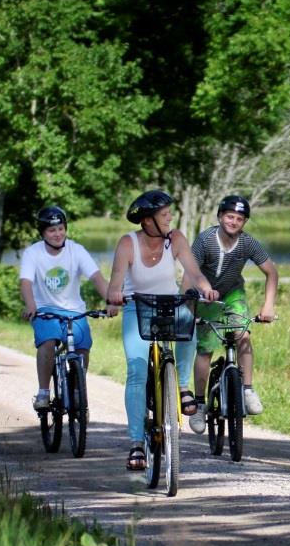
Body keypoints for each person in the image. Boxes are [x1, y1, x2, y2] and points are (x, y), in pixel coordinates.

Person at [105, 190, 217, 471]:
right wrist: (114, 297)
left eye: (169, 213)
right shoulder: (127, 243)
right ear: (147, 221)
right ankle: (135, 444)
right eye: (164, 214)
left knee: (188, 325)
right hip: (137, 307)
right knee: (137, 370)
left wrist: (205, 289)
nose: (170, 217)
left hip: (168, 305)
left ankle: (181, 387)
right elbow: (115, 281)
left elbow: (194, 271)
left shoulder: (176, 239)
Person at [180, 194, 278, 436]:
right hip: (205, 297)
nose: (234, 222)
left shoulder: (247, 243)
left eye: (240, 219)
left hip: (232, 294)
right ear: (220, 216)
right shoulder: (206, 240)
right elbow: (189, 272)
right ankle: (201, 404)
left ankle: (247, 389)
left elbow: (271, 273)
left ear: (244, 222)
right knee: (205, 348)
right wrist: (186, 305)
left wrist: (268, 306)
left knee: (242, 335)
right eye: (230, 216)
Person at [19, 205, 111, 410]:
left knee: (83, 347)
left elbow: (96, 277)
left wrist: (110, 300)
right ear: (43, 233)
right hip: (44, 309)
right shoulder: (33, 253)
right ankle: (43, 392)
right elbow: (25, 282)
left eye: (61, 228)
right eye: (52, 230)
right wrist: (31, 304)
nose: (57, 234)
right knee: (48, 342)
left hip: (74, 310)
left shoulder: (76, 250)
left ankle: (78, 388)